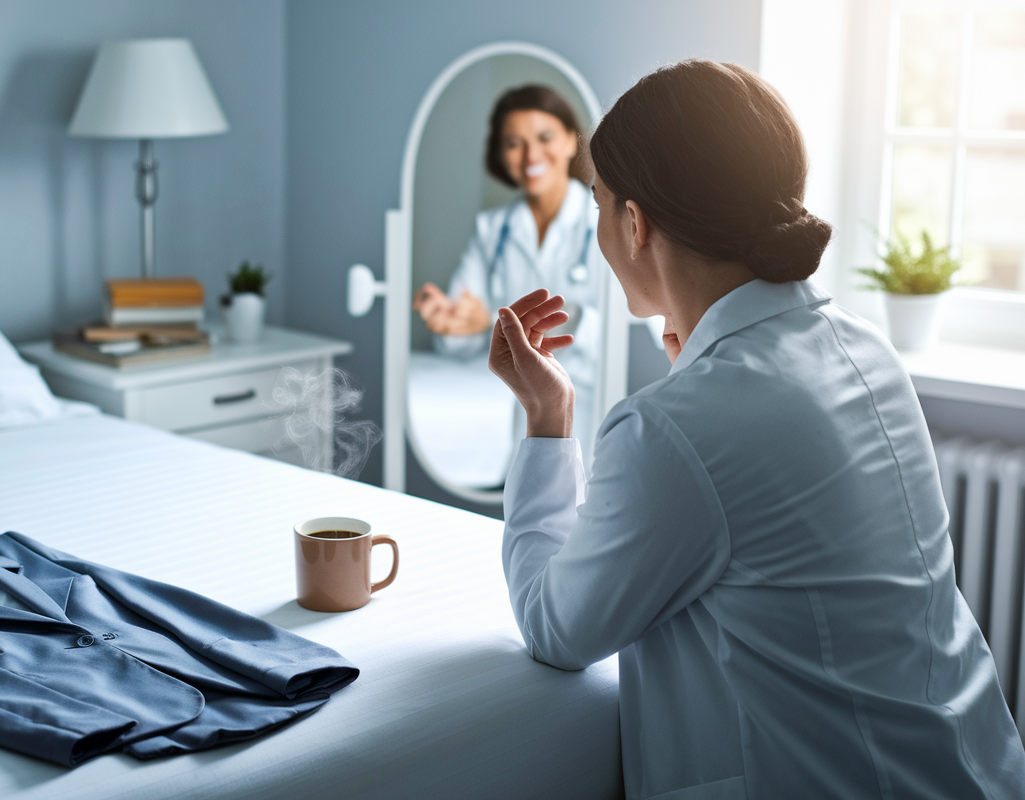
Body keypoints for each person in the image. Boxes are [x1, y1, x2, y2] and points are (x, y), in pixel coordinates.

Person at [489, 60, 1025, 799]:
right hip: (974, 767)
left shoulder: (674, 430)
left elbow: (557, 629)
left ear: (636, 224)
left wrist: (549, 421)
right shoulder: (867, 350)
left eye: (599, 207)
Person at [413, 84, 606, 470]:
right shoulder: (491, 230)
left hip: (595, 407)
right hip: (523, 412)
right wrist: (456, 325)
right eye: (514, 143)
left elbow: (624, 333)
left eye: (545, 137)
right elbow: (464, 342)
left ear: (571, 141)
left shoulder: (602, 218)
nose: (531, 154)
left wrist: (524, 328)